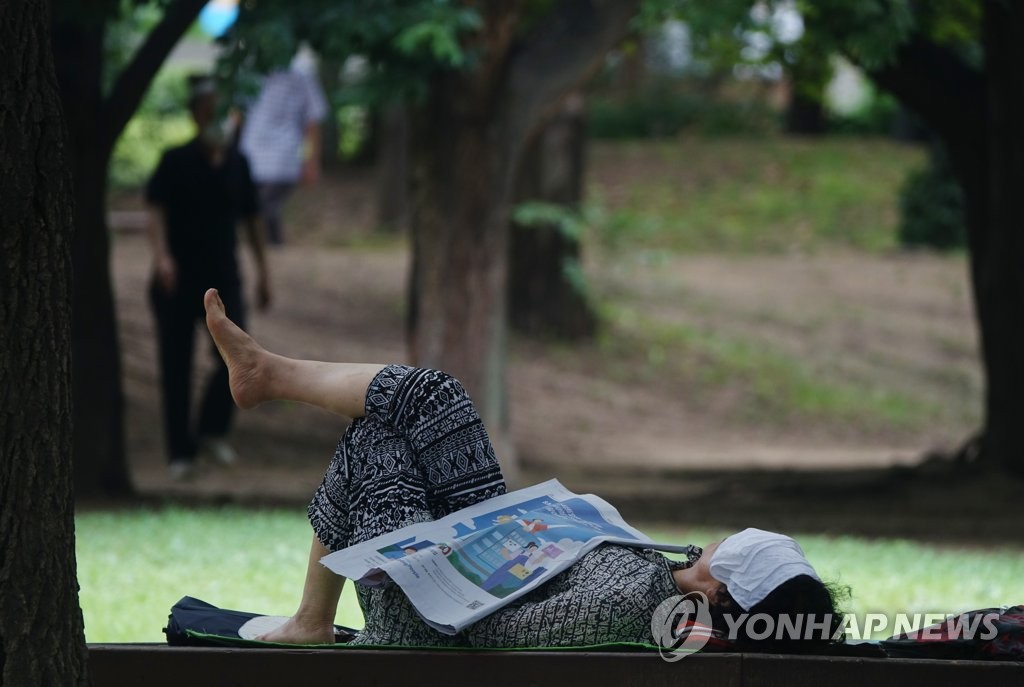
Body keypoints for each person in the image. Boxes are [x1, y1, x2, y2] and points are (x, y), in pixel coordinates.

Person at [202, 288, 844, 648]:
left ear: (721, 595)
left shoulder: (635, 604)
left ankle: (271, 378)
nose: (721, 543)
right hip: (478, 547)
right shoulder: (680, 577)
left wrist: (489, 550)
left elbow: (495, 632)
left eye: (731, 554)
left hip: (424, 611)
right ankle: (309, 619)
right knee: (427, 402)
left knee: (391, 431)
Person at [146, 76, 271, 481]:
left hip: (224, 277)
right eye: (208, 109)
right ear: (196, 115)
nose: (215, 118)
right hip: (178, 280)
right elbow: (155, 210)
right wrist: (162, 256)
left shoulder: (240, 164)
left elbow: (253, 220)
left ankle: (212, 429)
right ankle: (180, 453)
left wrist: (264, 271)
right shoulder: (174, 160)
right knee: (176, 363)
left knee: (237, 353)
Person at [238, 52, 328, 245]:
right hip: (250, 154)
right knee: (261, 209)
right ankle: (272, 249)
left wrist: (311, 160)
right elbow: (237, 114)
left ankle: (271, 250)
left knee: (263, 208)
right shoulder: (247, 67)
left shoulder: (301, 71)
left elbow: (313, 118)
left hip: (283, 157)